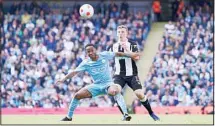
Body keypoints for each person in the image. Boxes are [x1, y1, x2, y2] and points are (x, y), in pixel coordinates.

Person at [56, 43, 140, 121]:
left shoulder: (104, 55)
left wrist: (130, 55)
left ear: (95, 50)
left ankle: (125, 114)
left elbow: (118, 53)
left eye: (92, 50)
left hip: (108, 84)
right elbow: (74, 72)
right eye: (88, 51)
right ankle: (69, 117)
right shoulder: (86, 62)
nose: (90, 53)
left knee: (114, 91)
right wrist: (63, 79)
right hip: (96, 86)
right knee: (77, 95)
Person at [107, 25, 160, 121]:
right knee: (114, 91)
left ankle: (151, 113)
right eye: (119, 32)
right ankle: (125, 115)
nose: (120, 34)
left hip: (132, 74)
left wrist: (126, 51)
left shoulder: (132, 44)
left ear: (127, 33)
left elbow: (137, 58)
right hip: (119, 75)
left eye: (123, 32)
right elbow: (105, 58)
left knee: (139, 94)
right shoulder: (112, 46)